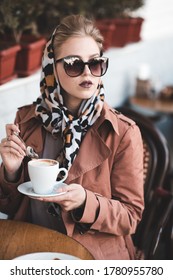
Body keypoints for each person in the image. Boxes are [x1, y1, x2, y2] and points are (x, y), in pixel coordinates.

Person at [0, 14, 144, 260]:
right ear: (51, 68)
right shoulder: (26, 120)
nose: (87, 72)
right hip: (31, 247)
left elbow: (130, 218)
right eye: (74, 64)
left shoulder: (123, 132)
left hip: (92, 255)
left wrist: (86, 203)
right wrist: (11, 173)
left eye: (95, 63)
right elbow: (9, 207)